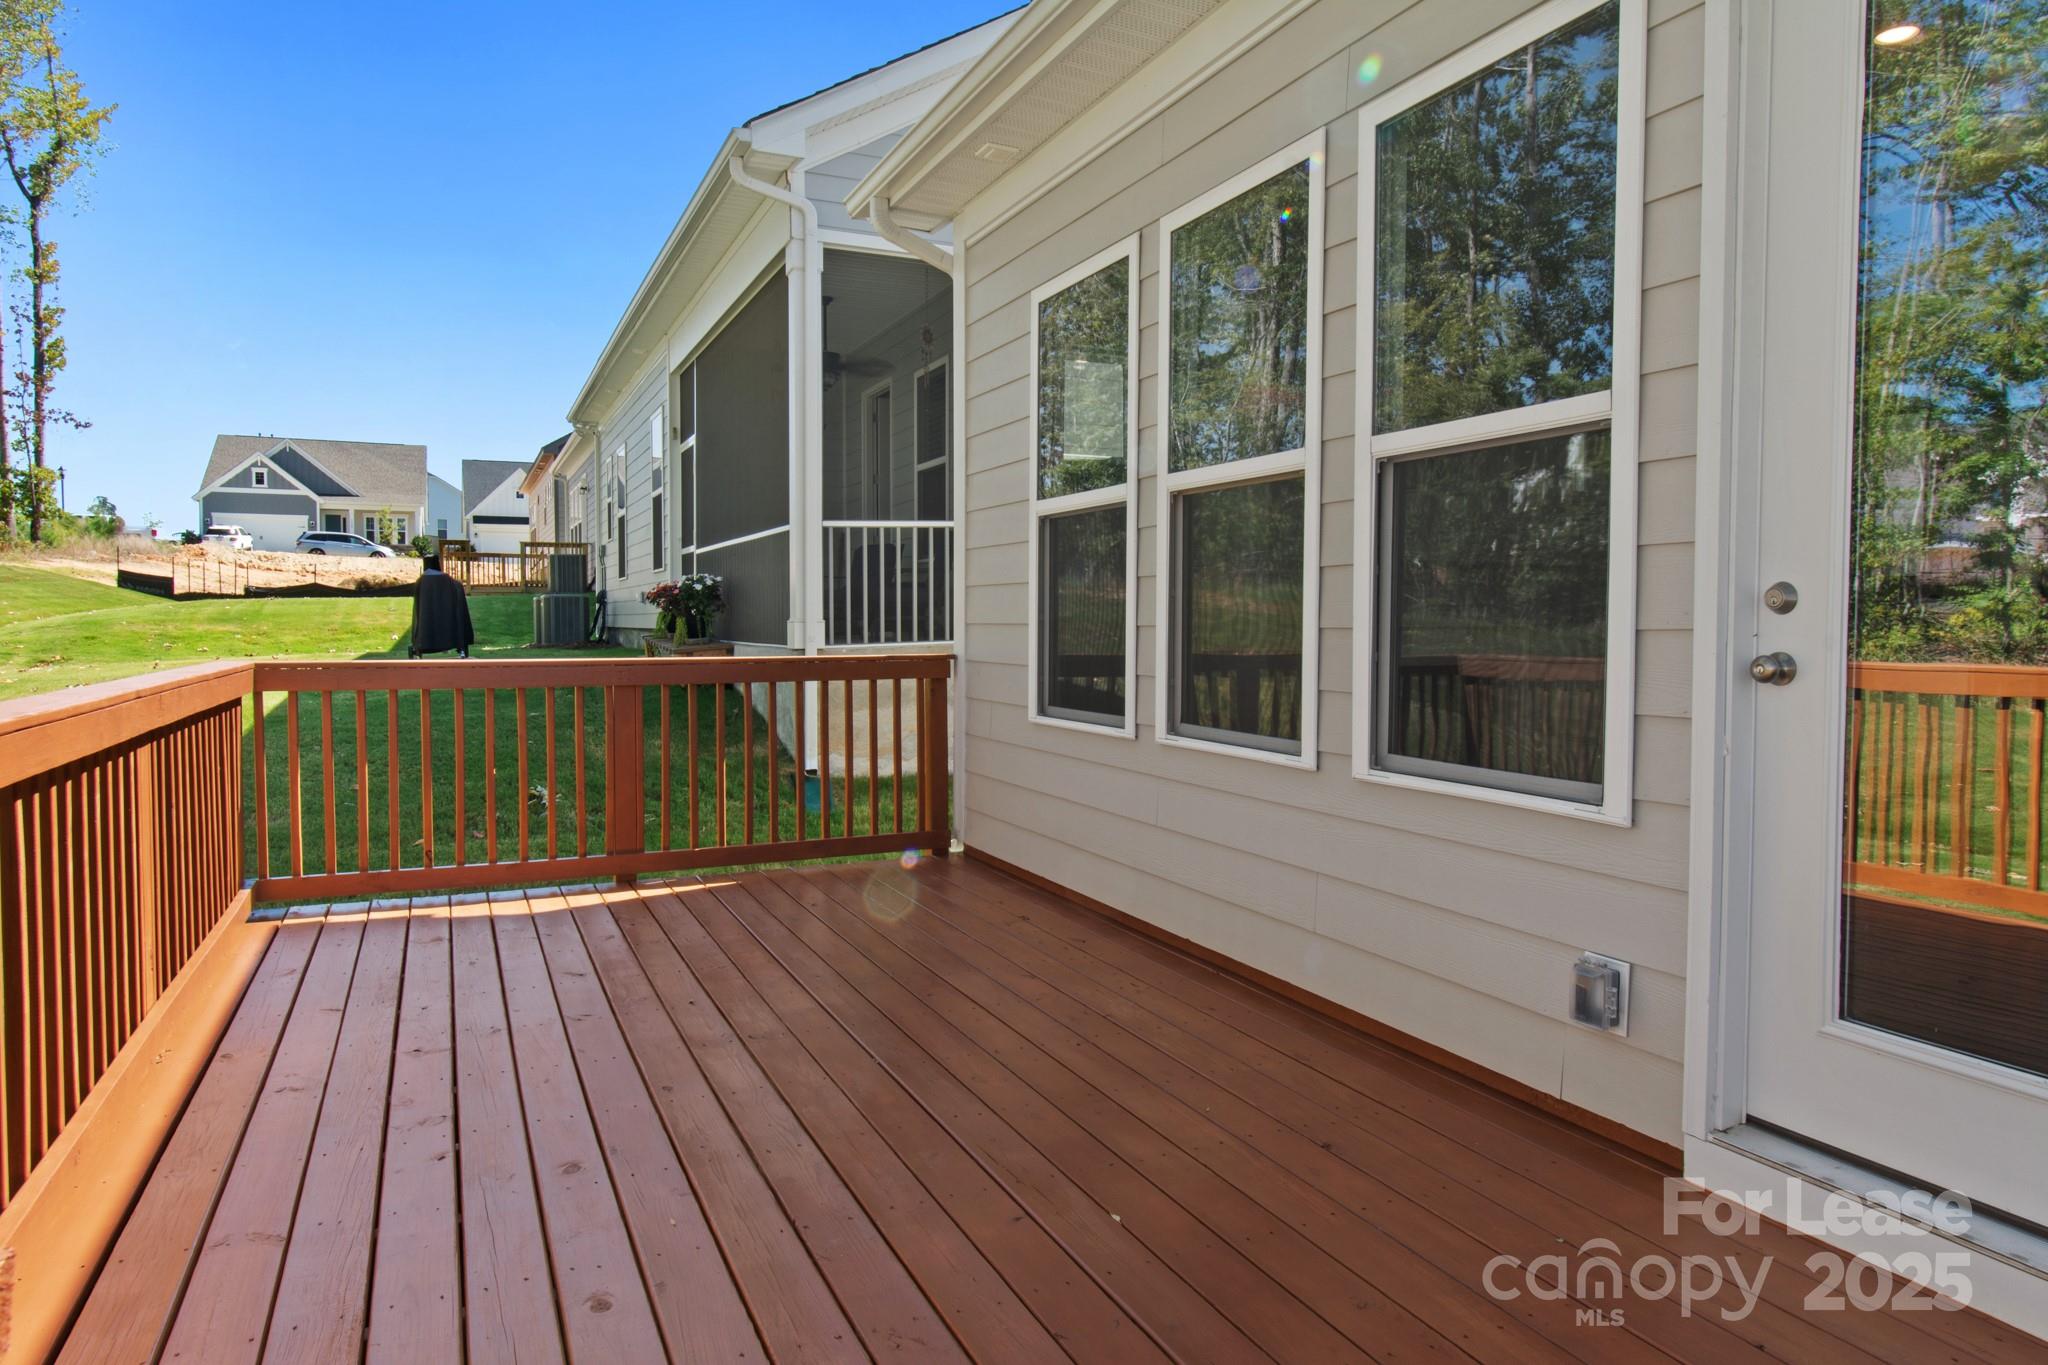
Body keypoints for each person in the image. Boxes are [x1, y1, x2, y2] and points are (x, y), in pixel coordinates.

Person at [409, 552, 475, 658]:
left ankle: (420, 650)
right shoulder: (451, 582)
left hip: (427, 624)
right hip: (449, 624)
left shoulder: (421, 582)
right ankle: (461, 649)